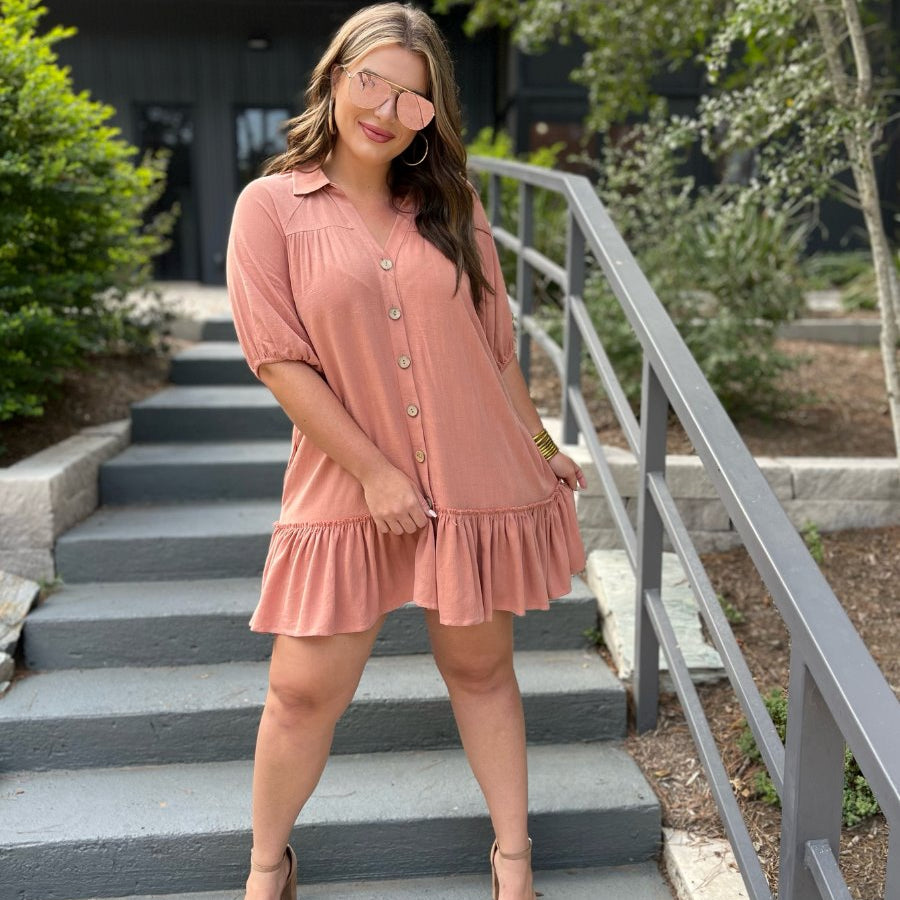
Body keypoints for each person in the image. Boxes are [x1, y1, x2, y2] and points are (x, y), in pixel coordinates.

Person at [226, 4, 587, 898]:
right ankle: (268, 866)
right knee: (302, 693)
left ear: (433, 117)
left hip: (469, 477)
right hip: (346, 484)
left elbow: (495, 349)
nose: (386, 109)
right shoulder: (270, 207)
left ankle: (513, 862)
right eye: (371, 81)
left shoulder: (452, 210)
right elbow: (279, 359)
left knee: (480, 669)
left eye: (414, 100)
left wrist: (543, 443)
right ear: (335, 77)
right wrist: (377, 473)